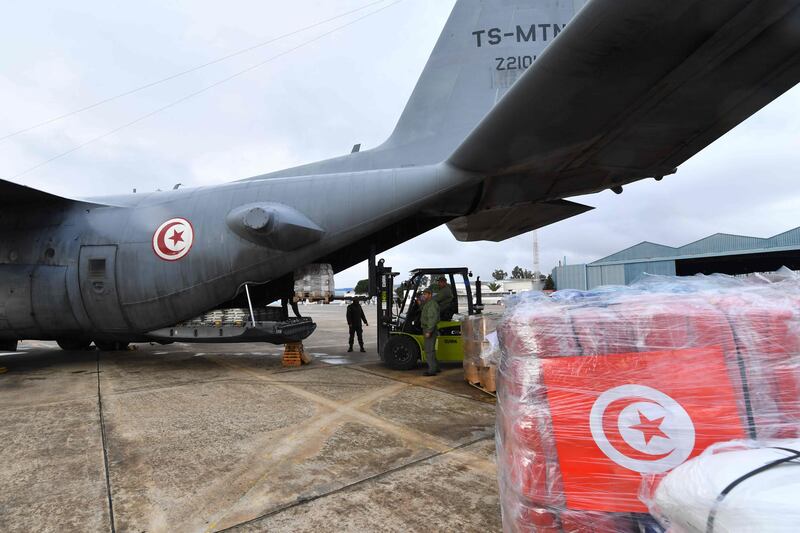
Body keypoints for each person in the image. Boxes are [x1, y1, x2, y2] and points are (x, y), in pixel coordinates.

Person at [420, 288, 440, 376]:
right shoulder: (428, 303)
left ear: (430, 295)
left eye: (425, 294)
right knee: (431, 349)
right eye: (423, 294)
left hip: (429, 328)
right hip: (428, 328)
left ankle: (432, 370)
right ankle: (436, 367)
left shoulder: (432, 304)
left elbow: (432, 319)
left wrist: (429, 331)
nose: (423, 296)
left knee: (429, 350)